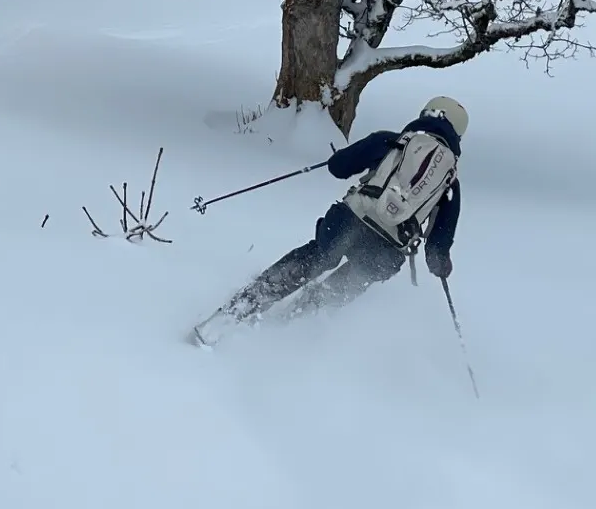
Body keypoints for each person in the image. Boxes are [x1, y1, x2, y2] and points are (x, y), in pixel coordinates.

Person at [190, 97, 467, 343]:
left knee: (315, 258)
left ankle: (242, 309)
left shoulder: (392, 141)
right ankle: (289, 329)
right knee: (345, 286)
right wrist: (441, 265)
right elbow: (437, 251)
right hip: (386, 251)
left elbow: (339, 167)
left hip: (351, 220)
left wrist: (345, 159)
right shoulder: (449, 184)